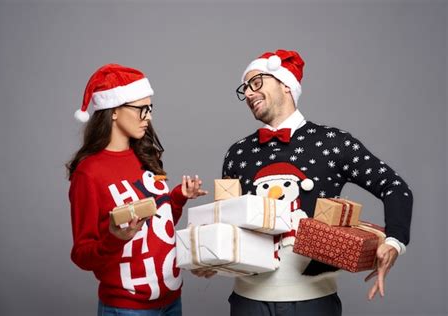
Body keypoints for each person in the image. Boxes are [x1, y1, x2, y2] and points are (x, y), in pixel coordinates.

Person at [194, 50, 413, 316]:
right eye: (245, 89)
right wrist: (211, 258)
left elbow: (394, 187)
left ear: (285, 84)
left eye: (256, 83)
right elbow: (228, 222)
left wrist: (394, 242)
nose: (249, 94)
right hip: (246, 302)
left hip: (314, 303)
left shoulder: (333, 142)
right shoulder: (238, 152)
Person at [67, 63, 207, 316]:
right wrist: (115, 238)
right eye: (141, 109)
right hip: (127, 309)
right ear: (113, 111)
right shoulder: (89, 172)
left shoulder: (146, 155)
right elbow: (81, 254)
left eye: (150, 108)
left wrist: (177, 198)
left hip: (172, 301)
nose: (149, 116)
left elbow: (158, 227)